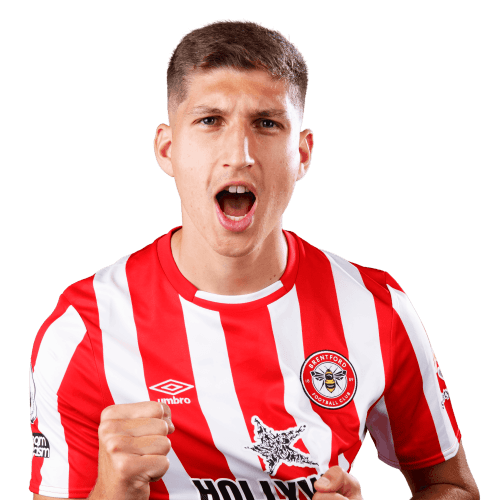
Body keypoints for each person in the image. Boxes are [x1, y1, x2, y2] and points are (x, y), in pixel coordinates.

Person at [29, 19, 480, 500]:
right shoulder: (84, 328)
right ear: (167, 149)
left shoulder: (377, 307)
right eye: (210, 120)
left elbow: (453, 487)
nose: (239, 154)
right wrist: (111, 491)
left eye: (266, 123)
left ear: (302, 154)